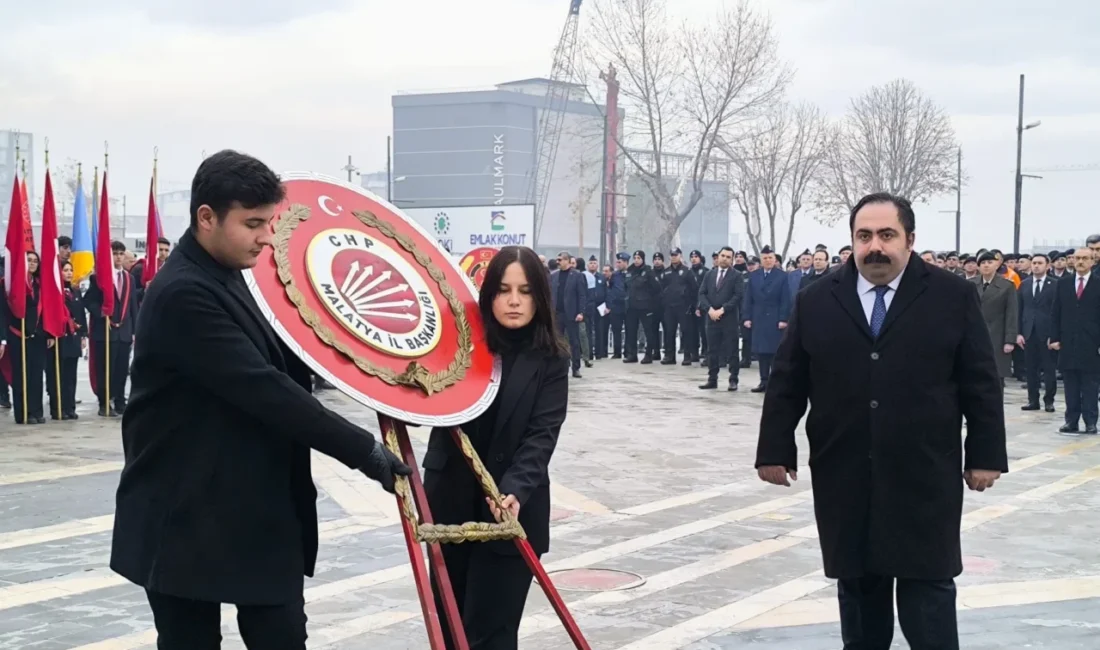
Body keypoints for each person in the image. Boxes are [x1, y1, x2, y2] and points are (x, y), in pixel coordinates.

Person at [109, 149, 412, 649]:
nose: (267, 236)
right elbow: (268, 391)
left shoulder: (236, 275)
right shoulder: (184, 293)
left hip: (254, 519)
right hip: (183, 519)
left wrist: (383, 380)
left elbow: (292, 358)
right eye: (253, 223)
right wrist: (365, 452)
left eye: (269, 222)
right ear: (206, 218)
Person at [755, 192, 1008, 650]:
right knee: (858, 591)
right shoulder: (816, 300)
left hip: (924, 473)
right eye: (864, 236)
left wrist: (986, 456)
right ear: (852, 240)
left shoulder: (952, 296)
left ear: (909, 240)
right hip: (845, 471)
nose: (875, 246)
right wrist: (774, 449)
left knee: (927, 590)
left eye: (887, 235)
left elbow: (980, 381)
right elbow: (788, 380)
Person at [423, 245, 570, 650]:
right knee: (450, 630)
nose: (514, 301)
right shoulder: (460, 344)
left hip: (511, 509)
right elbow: (421, 400)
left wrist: (517, 489)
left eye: (525, 291)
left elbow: (543, 433)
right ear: (489, 294)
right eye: (504, 290)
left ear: (540, 297)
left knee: (493, 634)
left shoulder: (552, 358)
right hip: (450, 503)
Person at [83, 240, 140, 416]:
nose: (118, 257)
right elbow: (88, 300)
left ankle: (120, 400)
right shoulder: (99, 277)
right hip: (105, 331)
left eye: (121, 254)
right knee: (105, 368)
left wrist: (134, 331)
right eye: (115, 253)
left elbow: (132, 307)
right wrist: (101, 312)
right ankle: (104, 402)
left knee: (122, 369)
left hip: (123, 331)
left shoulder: (129, 278)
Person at [1049, 247, 1100, 435]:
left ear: (1092, 261)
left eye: (1085, 258)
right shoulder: (1063, 284)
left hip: (1091, 343)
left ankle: (1090, 422)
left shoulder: (1098, 284)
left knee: (1090, 386)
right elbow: (1056, 312)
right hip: (1067, 342)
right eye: (1077, 258)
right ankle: (1071, 421)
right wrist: (1054, 338)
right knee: (1070, 386)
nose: (1080, 262)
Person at [1, 251, 45, 424]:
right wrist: (3, 337)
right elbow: (3, 313)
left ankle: (36, 410)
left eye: (35, 261)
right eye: (29, 260)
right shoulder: (9, 285)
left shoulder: (40, 285)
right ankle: (23, 412)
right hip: (17, 335)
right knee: (21, 376)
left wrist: (48, 333)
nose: (33, 263)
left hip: (37, 336)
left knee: (36, 375)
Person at [45, 260, 86, 420]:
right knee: (58, 375)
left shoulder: (75, 291)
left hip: (73, 338)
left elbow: (81, 313)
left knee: (71, 376)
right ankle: (58, 408)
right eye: (65, 270)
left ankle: (70, 407)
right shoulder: (55, 291)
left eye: (71, 270)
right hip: (59, 337)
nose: (69, 273)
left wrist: (83, 333)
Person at [697, 247, 743, 391]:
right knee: (712, 350)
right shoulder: (709, 274)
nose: (724, 258)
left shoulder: (737, 275)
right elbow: (702, 293)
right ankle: (712, 379)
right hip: (711, 317)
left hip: (728, 318)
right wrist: (710, 309)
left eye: (728, 257)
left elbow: (737, 296)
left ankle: (733, 379)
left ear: (732, 259)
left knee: (732, 350)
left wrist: (722, 309)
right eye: (722, 255)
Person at [970, 251, 1018, 388]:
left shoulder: (1007, 286)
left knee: (996, 377)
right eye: (983, 263)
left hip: (997, 336)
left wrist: (1010, 340)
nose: (986, 266)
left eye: (990, 262)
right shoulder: (970, 284)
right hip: (974, 336)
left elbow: (1011, 314)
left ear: (997, 265)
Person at [549, 251, 586, 378]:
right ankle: (559, 367)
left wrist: (581, 312)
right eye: (557, 260)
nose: (557, 262)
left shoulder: (577, 275)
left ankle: (576, 368)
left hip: (571, 313)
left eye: (560, 260)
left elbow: (582, 295)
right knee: (557, 341)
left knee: (574, 341)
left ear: (567, 261)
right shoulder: (554, 275)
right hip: (557, 313)